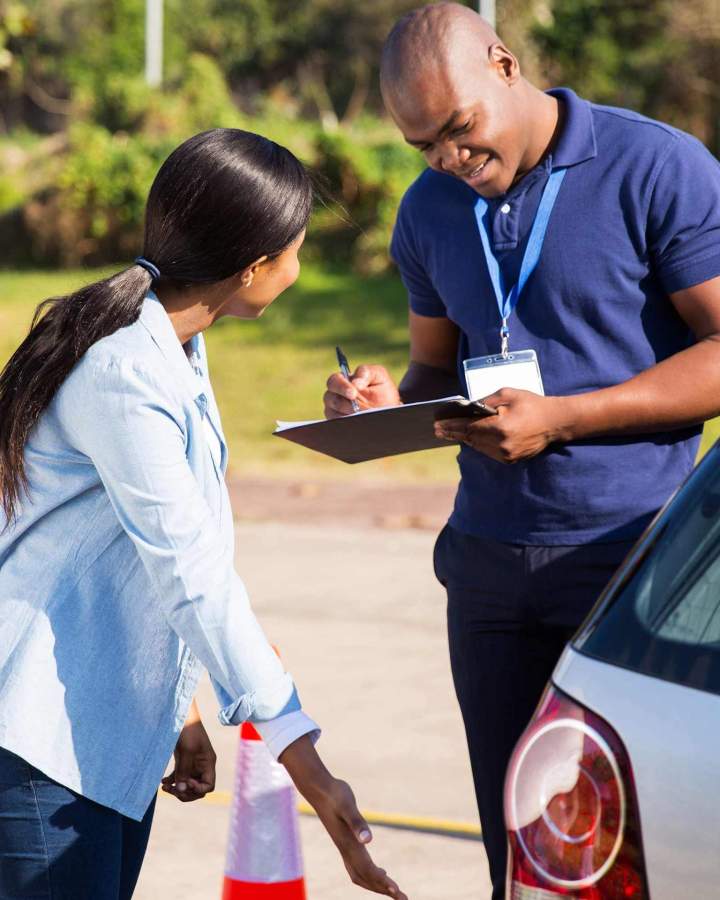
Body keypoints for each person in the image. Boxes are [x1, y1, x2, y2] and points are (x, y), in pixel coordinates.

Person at [323, 4, 720, 897]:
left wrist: (564, 417)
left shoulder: (656, 166)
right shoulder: (429, 210)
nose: (450, 161)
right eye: (424, 146)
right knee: (518, 850)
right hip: (489, 571)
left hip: (630, 562)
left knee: (625, 851)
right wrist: (380, 404)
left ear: (504, 65)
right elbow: (434, 370)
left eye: (459, 130)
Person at [0, 128, 406, 900]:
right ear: (253, 268)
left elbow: (145, 551)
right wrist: (310, 769)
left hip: (105, 734)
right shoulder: (125, 370)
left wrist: (181, 710)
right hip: (40, 747)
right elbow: (194, 576)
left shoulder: (175, 343)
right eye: (295, 250)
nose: (297, 266)